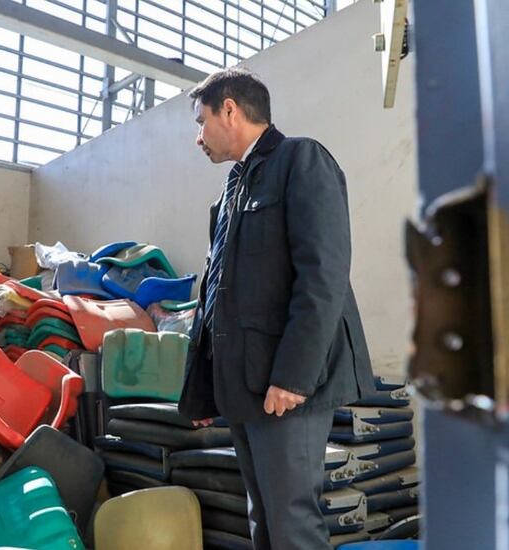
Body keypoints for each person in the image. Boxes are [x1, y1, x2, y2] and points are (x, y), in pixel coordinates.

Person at [178, 68, 376, 550]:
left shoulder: (300, 160)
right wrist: (202, 387)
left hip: (287, 384)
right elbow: (217, 294)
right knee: (263, 518)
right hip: (247, 385)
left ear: (230, 109)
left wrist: (293, 376)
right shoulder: (231, 190)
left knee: (291, 522)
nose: (196, 138)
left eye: (200, 121)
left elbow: (323, 276)